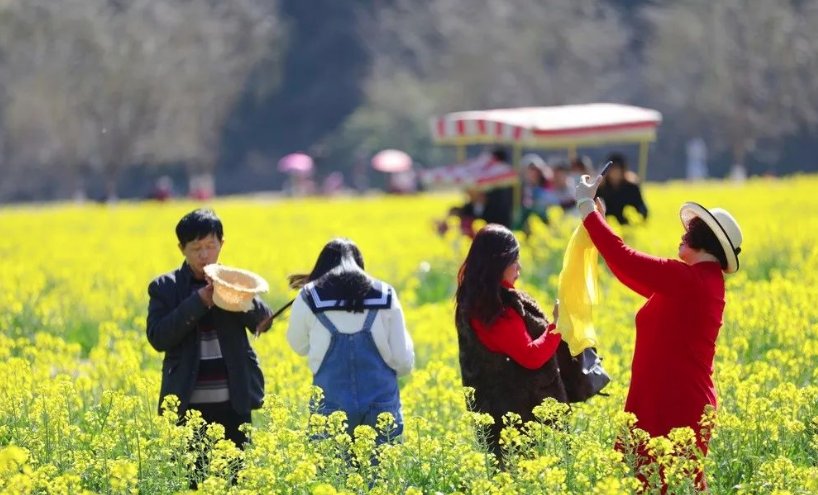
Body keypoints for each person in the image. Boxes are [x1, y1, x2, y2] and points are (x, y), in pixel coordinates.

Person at [575, 175, 743, 490]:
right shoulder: (699, 280)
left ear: (704, 240)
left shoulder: (688, 280)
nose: (682, 234)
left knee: (659, 484)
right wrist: (597, 220)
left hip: (674, 403)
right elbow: (627, 269)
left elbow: (624, 258)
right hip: (665, 397)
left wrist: (586, 206)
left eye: (689, 232)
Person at [146, 208, 273, 449]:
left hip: (234, 403)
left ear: (221, 244)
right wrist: (199, 301)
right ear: (181, 249)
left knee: (237, 471)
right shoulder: (164, 287)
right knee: (191, 471)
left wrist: (235, 293)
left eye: (210, 246)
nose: (204, 255)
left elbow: (263, 322)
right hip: (186, 405)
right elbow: (158, 338)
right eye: (196, 248)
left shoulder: (234, 280)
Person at [455, 224, 568, 461]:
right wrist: (557, 326)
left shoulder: (472, 300)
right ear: (498, 264)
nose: (520, 267)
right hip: (514, 421)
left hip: (495, 418)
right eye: (514, 261)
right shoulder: (496, 311)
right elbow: (531, 356)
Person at [286, 238, 414, 443]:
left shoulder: (309, 296)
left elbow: (298, 345)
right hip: (381, 407)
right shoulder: (385, 294)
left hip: (330, 407)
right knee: (383, 464)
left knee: (331, 464)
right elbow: (403, 360)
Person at [596, 153, 648, 225]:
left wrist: (638, 218)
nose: (615, 172)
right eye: (612, 168)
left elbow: (641, 207)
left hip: (629, 225)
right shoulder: (601, 188)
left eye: (618, 168)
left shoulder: (632, 188)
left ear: (623, 170)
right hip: (606, 226)